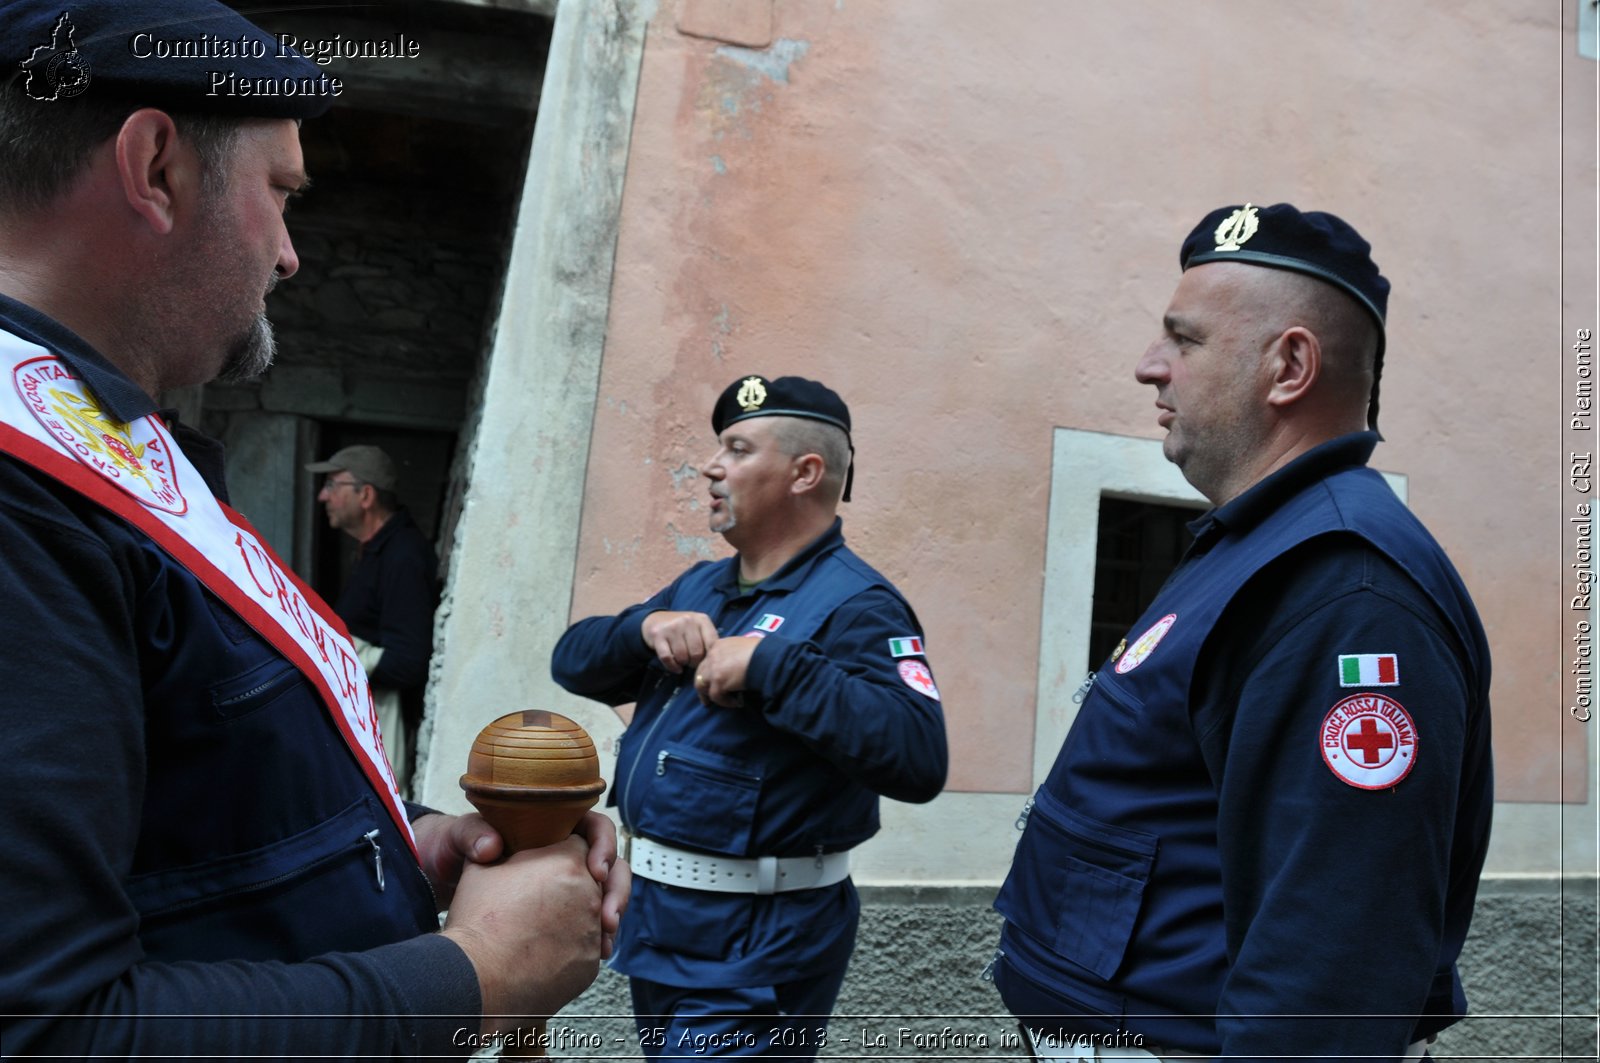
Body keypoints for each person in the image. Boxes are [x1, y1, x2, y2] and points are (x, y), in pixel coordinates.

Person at [0, 1, 627, 1057]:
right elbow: (47, 1030)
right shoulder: (26, 496)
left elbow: (185, 823)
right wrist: (472, 978)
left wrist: (404, 847)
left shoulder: (96, 445)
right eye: (281, 194)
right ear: (156, 167)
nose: (290, 255)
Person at [992, 203, 1493, 1061]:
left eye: (1183, 341)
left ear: (1288, 365)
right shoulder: (1257, 544)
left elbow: (1330, 967)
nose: (1150, 368)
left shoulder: (1344, 586)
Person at [551, 374, 949, 1060]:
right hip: (663, 920)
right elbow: (572, 660)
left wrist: (773, 667)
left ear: (805, 472)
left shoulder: (859, 605)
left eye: (737, 449)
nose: (711, 466)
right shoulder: (704, 583)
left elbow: (918, 755)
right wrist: (643, 628)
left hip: (761, 939)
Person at [307, 444, 439, 796]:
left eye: (333, 486)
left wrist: (337, 651)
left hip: (383, 728)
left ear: (365, 495)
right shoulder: (375, 548)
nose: (323, 496)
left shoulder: (403, 556)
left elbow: (409, 663)